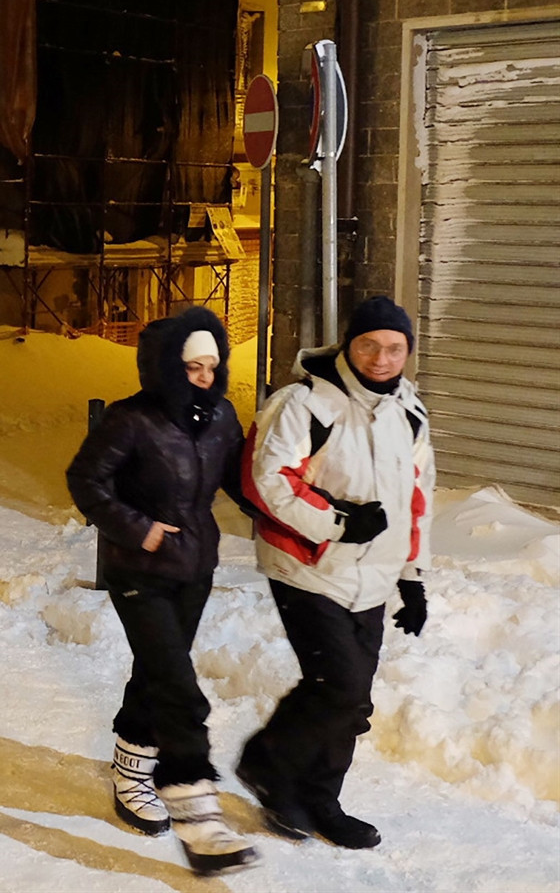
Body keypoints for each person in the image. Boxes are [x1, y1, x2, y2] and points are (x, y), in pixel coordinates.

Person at [236, 295, 434, 851]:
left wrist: (413, 576)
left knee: (352, 700)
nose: (381, 357)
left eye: (394, 348)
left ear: (407, 352)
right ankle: (267, 765)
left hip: (372, 577)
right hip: (308, 567)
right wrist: (339, 521)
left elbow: (417, 499)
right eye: (369, 344)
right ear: (348, 344)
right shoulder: (304, 403)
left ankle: (321, 797)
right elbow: (266, 480)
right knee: (338, 687)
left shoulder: (409, 413)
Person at [66, 308, 258, 874]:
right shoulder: (130, 420)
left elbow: (237, 482)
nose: (203, 377)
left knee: (157, 673)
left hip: (195, 569)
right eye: (191, 367)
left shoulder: (220, 416)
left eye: (211, 366)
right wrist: (139, 528)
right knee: (177, 686)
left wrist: (289, 517)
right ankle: (198, 815)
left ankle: (129, 768)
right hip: (139, 573)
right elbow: (86, 480)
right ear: (166, 368)